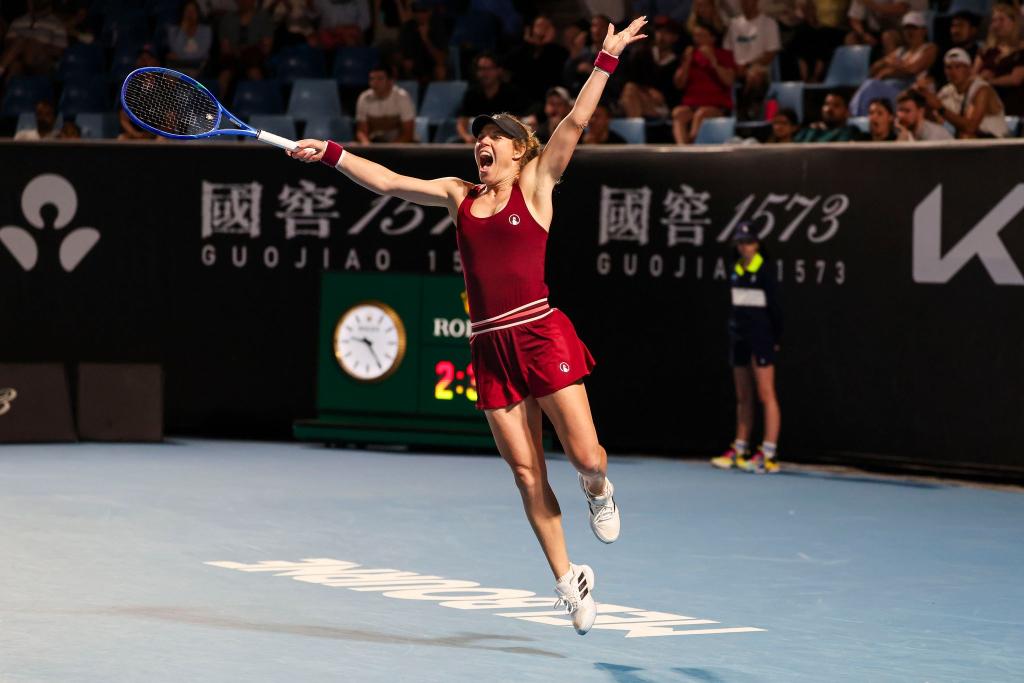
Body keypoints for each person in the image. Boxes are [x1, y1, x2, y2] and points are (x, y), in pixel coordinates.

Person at [287, 16, 649, 637]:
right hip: (489, 346)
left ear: (519, 150)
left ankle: (597, 489)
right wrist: (334, 153)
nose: (482, 144)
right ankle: (569, 579)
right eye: (478, 139)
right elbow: (392, 182)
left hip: (539, 331)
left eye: (495, 138)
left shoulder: (537, 185)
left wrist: (606, 60)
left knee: (587, 455)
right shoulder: (458, 193)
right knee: (525, 470)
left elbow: (574, 124)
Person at [711, 222, 782, 474]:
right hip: (738, 337)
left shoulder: (765, 269)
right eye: (741, 242)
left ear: (757, 244)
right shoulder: (735, 269)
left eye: (749, 242)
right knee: (743, 396)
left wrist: (775, 337)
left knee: (766, 394)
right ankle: (740, 449)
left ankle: (769, 453)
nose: (745, 247)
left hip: (761, 338)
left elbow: (776, 308)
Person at [920, 47, 1009, 138]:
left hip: (996, 141)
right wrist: (925, 100)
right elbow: (933, 119)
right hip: (971, 141)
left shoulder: (981, 90)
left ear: (969, 69)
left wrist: (940, 108)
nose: (953, 72)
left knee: (965, 136)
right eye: (949, 67)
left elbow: (971, 127)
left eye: (958, 67)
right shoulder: (947, 91)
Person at [671, 20, 737, 144]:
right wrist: (686, 62)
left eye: (701, 35)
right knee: (678, 113)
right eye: (695, 36)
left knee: (701, 114)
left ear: (712, 38)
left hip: (717, 106)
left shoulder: (724, 55)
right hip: (692, 105)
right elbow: (679, 84)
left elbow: (729, 81)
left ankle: (691, 146)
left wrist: (713, 60)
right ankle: (682, 149)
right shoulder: (690, 56)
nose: (697, 39)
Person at [724, 0, 780, 120]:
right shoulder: (734, 24)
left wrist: (748, 65)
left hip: (759, 68)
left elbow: (770, 53)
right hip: (736, 69)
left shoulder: (769, 23)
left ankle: (747, 112)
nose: (745, 4)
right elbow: (727, 52)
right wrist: (736, 67)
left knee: (755, 75)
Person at [456, 52, 528, 143]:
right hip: (477, 139)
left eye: (488, 69)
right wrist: (467, 137)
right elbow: (462, 122)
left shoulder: (511, 93)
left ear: (499, 70)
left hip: (505, 139)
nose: (484, 73)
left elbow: (517, 121)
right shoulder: (472, 94)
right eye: (480, 69)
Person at [974, 4, 1024, 116]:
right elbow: (973, 75)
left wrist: (990, 81)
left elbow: (1016, 79)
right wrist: (980, 78)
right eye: (994, 20)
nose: (996, 25)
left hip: (1012, 107)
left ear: (1014, 22)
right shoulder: (986, 51)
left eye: (1001, 19)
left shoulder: (1021, 50)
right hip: (986, 109)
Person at [0, 0, 68, 80]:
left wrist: (39, 46)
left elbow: (60, 51)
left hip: (42, 62)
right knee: (15, 64)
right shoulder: (18, 21)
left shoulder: (57, 24)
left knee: (29, 44)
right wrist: (26, 45)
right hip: (19, 60)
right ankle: (11, 90)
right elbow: (8, 44)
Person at [869, 11, 936, 85]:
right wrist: (885, 63)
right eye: (906, 28)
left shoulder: (929, 48)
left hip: (912, 89)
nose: (909, 31)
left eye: (913, 28)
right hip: (892, 85)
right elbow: (875, 67)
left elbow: (912, 70)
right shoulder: (901, 50)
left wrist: (889, 70)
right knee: (870, 83)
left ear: (924, 31)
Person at [354, 64, 416, 142]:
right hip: (375, 145)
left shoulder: (402, 97)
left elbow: (408, 134)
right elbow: (362, 131)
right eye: (372, 79)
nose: (375, 82)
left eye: (380, 79)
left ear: (391, 81)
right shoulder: (364, 98)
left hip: (399, 146)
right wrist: (367, 147)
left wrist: (390, 152)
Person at [166, 0, 213, 77]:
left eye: (193, 11)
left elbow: (203, 52)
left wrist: (181, 57)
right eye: (187, 11)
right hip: (179, 67)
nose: (190, 14)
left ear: (198, 13)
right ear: (182, 13)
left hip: (199, 66)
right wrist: (182, 30)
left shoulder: (206, 30)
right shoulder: (173, 30)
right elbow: (176, 50)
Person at [794, 90, 865, 141]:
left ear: (847, 112)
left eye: (836, 105)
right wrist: (813, 131)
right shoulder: (809, 130)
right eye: (826, 104)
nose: (829, 109)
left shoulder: (850, 132)